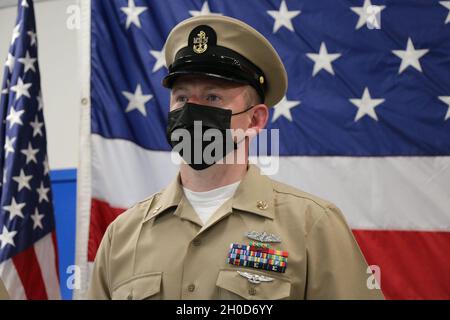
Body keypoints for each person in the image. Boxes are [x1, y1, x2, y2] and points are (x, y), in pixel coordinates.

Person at [88, 15, 384, 300]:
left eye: (212, 97)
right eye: (181, 98)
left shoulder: (311, 225)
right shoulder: (123, 234)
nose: (191, 110)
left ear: (255, 120)